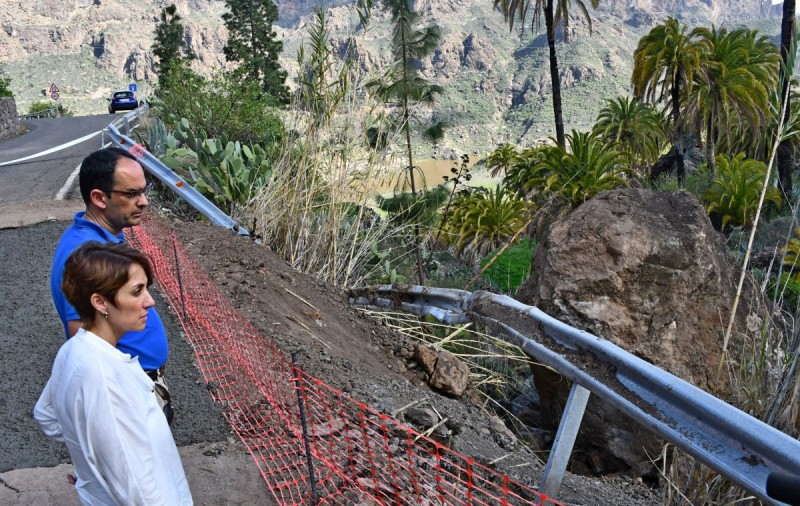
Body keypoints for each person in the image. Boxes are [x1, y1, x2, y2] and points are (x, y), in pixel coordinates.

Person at [35, 242, 192, 505]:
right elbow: (137, 490)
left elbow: (46, 414)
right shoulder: (106, 378)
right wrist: (97, 459)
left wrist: (92, 460)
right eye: (137, 291)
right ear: (100, 302)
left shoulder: (73, 350)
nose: (150, 301)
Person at [50, 147, 172, 422]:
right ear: (99, 198)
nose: (143, 202)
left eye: (144, 191)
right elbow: (84, 339)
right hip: (128, 394)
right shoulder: (85, 256)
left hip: (136, 382)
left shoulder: (103, 238)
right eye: (131, 194)